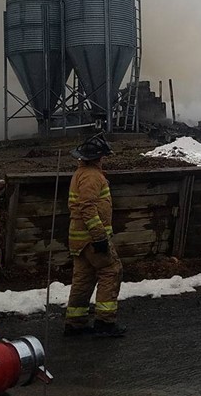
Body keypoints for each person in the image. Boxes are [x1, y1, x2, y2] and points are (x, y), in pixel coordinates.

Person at [63, 133, 127, 338]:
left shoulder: (80, 174)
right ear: (98, 157)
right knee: (111, 271)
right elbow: (87, 207)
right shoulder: (92, 176)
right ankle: (105, 322)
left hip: (79, 239)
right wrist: (99, 237)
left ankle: (75, 323)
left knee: (83, 278)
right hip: (92, 238)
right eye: (102, 156)